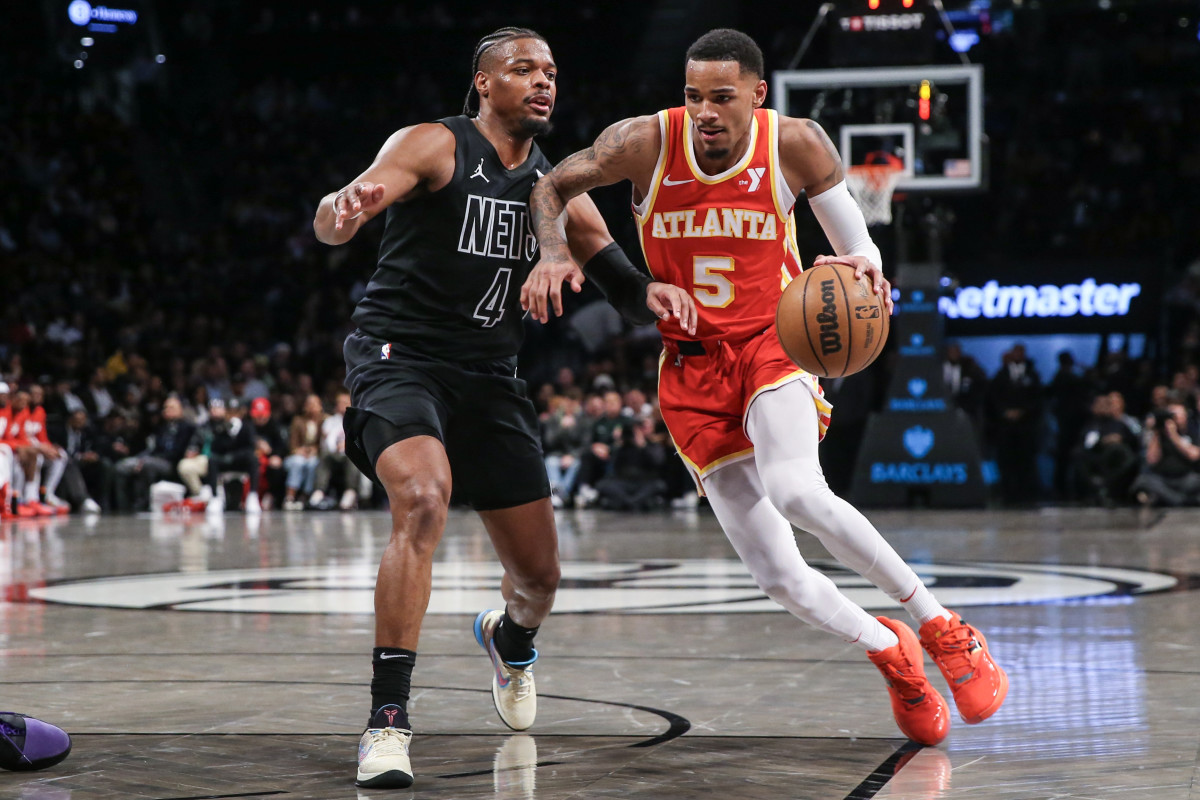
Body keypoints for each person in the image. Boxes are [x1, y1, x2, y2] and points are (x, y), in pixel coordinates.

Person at [527, 28, 1007, 747]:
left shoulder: (796, 143)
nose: (706, 112)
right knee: (778, 577)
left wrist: (866, 272)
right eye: (694, 97)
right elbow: (552, 184)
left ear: (757, 93)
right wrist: (553, 251)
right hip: (691, 367)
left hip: (772, 344)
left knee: (796, 490)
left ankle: (941, 626)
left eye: (722, 97)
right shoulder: (643, 143)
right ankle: (891, 651)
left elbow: (859, 248)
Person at [312, 27, 694, 789]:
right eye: (524, 69)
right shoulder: (435, 145)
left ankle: (509, 639)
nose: (543, 82)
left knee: (541, 581)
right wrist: (341, 210)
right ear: (484, 83)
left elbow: (619, 283)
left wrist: (656, 296)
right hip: (401, 359)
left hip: (490, 377)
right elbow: (342, 211)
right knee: (421, 500)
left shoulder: (556, 187)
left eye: (551, 71)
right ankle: (388, 722)